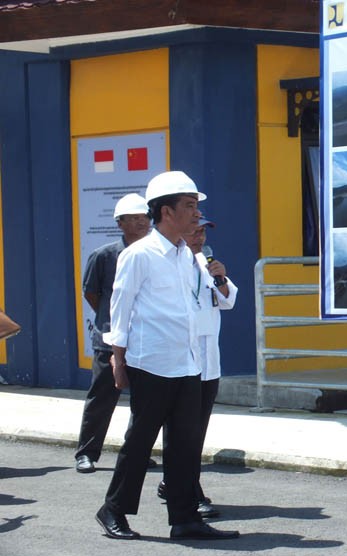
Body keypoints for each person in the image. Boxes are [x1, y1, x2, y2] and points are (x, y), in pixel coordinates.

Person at [94, 170, 239, 541]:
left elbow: (215, 299)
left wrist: (220, 279)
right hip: (152, 363)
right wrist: (118, 357)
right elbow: (120, 307)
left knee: (186, 443)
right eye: (189, 206)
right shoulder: (139, 254)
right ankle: (113, 509)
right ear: (165, 211)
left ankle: (184, 518)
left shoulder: (186, 256)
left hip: (188, 362)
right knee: (140, 442)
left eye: (195, 206)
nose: (195, 214)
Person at [157, 217, 237, 518]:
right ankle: (187, 490)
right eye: (193, 231)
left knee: (196, 430)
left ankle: (175, 483)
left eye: (202, 232)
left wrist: (222, 278)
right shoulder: (168, 264)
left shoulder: (208, 262)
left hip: (207, 361)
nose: (198, 237)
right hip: (179, 358)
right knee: (182, 431)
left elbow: (227, 302)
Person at [75, 193, 156, 474]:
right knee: (102, 398)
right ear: (120, 223)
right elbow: (92, 293)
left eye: (144, 218)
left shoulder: (155, 253)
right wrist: (111, 322)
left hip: (144, 340)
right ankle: (86, 453)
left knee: (144, 403)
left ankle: (136, 453)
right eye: (134, 219)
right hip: (110, 340)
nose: (141, 223)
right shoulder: (104, 256)